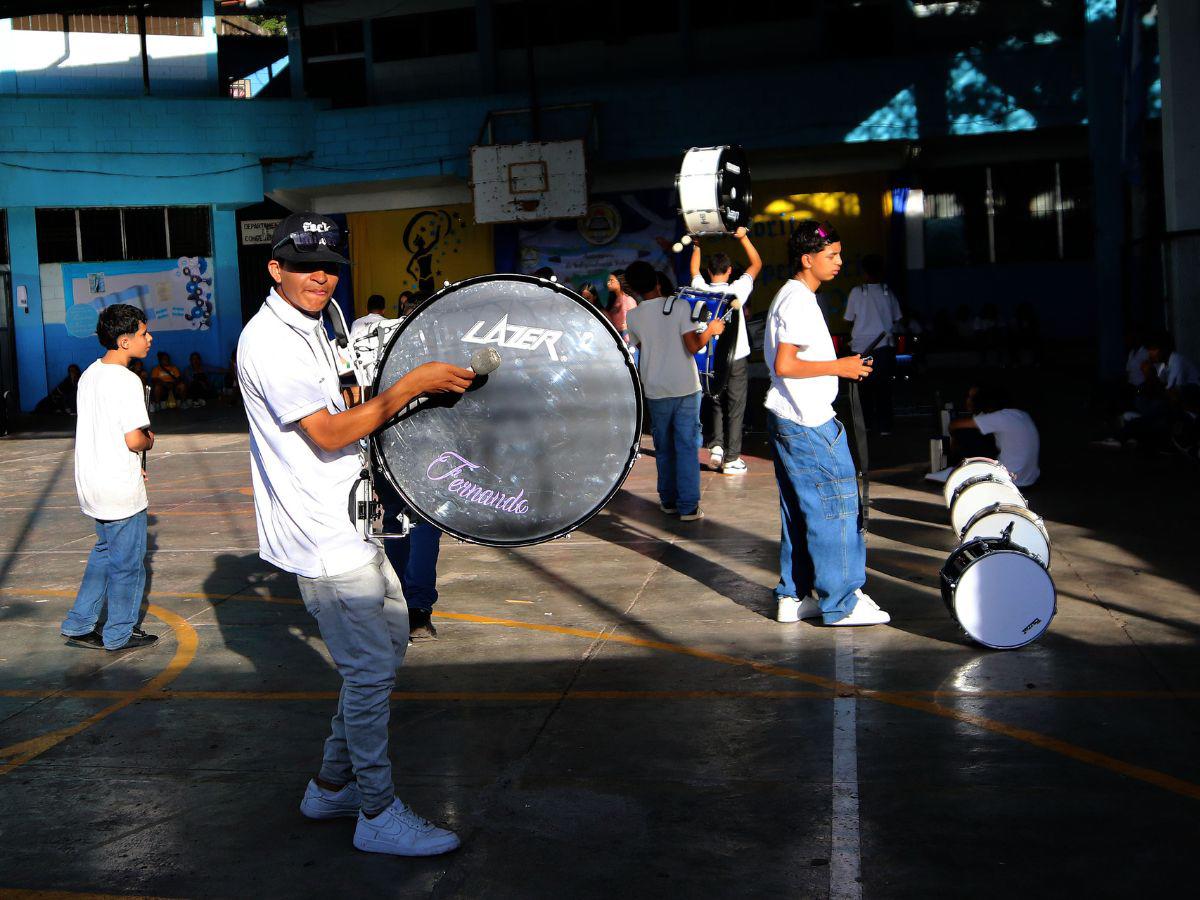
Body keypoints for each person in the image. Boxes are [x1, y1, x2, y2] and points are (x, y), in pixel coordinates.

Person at [237, 212, 470, 857]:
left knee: (387, 648)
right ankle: (376, 811)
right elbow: (332, 432)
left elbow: (345, 402)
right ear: (274, 268)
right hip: (320, 535)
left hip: (351, 519)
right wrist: (410, 387)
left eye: (331, 265)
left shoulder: (318, 324)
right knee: (370, 671)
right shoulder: (271, 342)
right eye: (306, 264)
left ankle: (331, 785)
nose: (321, 275)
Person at [765, 220, 890, 627]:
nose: (839, 261)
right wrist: (843, 366)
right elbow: (786, 365)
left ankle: (794, 596)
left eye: (839, 254)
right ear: (808, 259)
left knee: (800, 511)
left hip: (791, 416)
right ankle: (842, 603)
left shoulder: (792, 296)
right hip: (809, 421)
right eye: (831, 255)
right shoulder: (798, 301)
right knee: (836, 508)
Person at [60, 304, 158, 651]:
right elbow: (134, 439)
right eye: (143, 333)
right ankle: (118, 632)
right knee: (129, 566)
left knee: (103, 554)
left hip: (93, 483)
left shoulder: (90, 373)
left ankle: (79, 623)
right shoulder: (127, 380)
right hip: (118, 490)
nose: (149, 339)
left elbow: (102, 431)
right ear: (124, 340)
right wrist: (149, 439)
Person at [625, 259, 723, 522]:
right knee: (687, 447)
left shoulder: (632, 315)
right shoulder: (679, 306)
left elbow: (643, 347)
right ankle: (688, 506)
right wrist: (711, 330)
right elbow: (692, 346)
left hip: (655, 387)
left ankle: (667, 500)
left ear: (633, 289)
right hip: (685, 386)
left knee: (664, 447)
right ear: (657, 282)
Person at [689, 226, 762, 473]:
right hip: (737, 356)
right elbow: (756, 264)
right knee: (736, 405)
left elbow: (693, 271)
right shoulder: (737, 289)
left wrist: (697, 245)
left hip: (710, 357)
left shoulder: (701, 289)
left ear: (709, 271)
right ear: (730, 271)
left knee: (716, 400)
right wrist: (743, 238)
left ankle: (717, 447)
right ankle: (732, 459)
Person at [843, 254, 902, 435]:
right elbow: (897, 318)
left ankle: (866, 425)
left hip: (861, 348)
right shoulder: (887, 292)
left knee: (864, 389)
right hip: (884, 346)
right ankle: (885, 427)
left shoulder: (856, 292)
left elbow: (848, 318)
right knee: (883, 388)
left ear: (865, 272)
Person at [948, 385, 1040, 487]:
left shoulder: (998, 417)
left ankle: (958, 469)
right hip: (1030, 480)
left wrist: (953, 443)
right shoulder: (1021, 414)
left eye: (973, 399)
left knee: (965, 432)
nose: (969, 401)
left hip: (1010, 481)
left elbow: (955, 425)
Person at [605, 269, 637, 343]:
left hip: (627, 338)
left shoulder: (629, 300)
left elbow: (634, 323)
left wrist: (627, 338)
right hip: (615, 337)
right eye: (608, 281)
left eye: (611, 280)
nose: (608, 283)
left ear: (620, 281)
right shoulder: (613, 301)